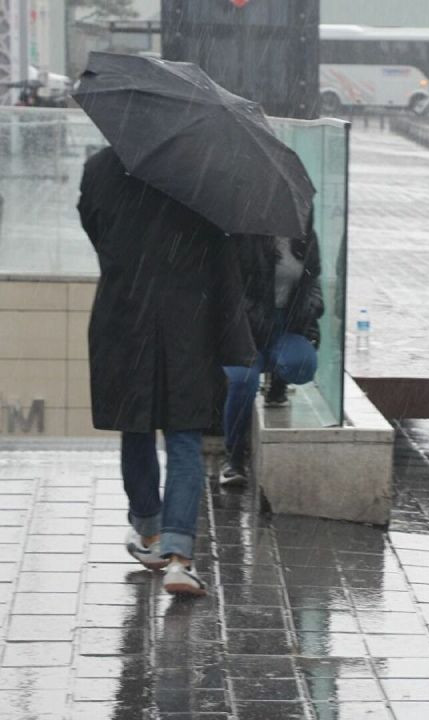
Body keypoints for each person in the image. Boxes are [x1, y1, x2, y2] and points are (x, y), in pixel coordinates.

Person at [78, 147, 255, 597]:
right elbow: (221, 252)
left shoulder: (100, 168)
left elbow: (96, 230)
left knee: (134, 427)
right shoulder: (201, 171)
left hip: (125, 317)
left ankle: (149, 531)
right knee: (183, 437)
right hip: (186, 325)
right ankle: (180, 558)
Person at [220, 222, 324, 486]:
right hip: (244, 329)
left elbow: (313, 282)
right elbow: (230, 289)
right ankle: (233, 457)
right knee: (243, 380)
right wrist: (256, 317)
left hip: (285, 326)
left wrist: (311, 309)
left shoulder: (304, 238)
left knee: (302, 364)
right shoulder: (243, 236)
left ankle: (278, 381)